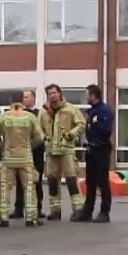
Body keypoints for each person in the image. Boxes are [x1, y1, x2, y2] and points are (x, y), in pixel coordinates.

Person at [0, 90, 44, 227]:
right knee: (29, 187)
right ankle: (31, 218)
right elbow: (40, 137)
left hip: (8, 158)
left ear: (10, 100)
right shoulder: (30, 117)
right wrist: (29, 147)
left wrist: (3, 147)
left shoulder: (4, 117)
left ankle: (2, 217)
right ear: (22, 100)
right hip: (26, 157)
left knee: (5, 187)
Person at [39, 84, 86, 222]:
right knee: (52, 180)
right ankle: (55, 210)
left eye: (54, 93)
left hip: (67, 150)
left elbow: (82, 124)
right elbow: (37, 128)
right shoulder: (44, 112)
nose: (52, 96)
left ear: (60, 94)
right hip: (51, 151)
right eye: (49, 94)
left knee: (71, 179)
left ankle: (77, 209)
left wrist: (71, 134)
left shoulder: (71, 109)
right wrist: (44, 138)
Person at [77, 84, 114, 223]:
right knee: (90, 181)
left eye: (87, 95)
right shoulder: (92, 111)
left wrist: (96, 124)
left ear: (93, 95)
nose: (86, 98)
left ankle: (105, 212)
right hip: (91, 149)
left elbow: (105, 130)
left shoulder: (104, 111)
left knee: (102, 181)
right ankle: (87, 211)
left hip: (101, 149)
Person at [12, 90, 46, 219]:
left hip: (36, 151)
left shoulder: (39, 114)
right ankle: (18, 208)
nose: (23, 100)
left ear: (33, 99)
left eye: (26, 97)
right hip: (22, 151)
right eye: (23, 97)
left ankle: (38, 208)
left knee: (36, 179)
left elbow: (42, 132)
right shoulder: (17, 114)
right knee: (20, 180)